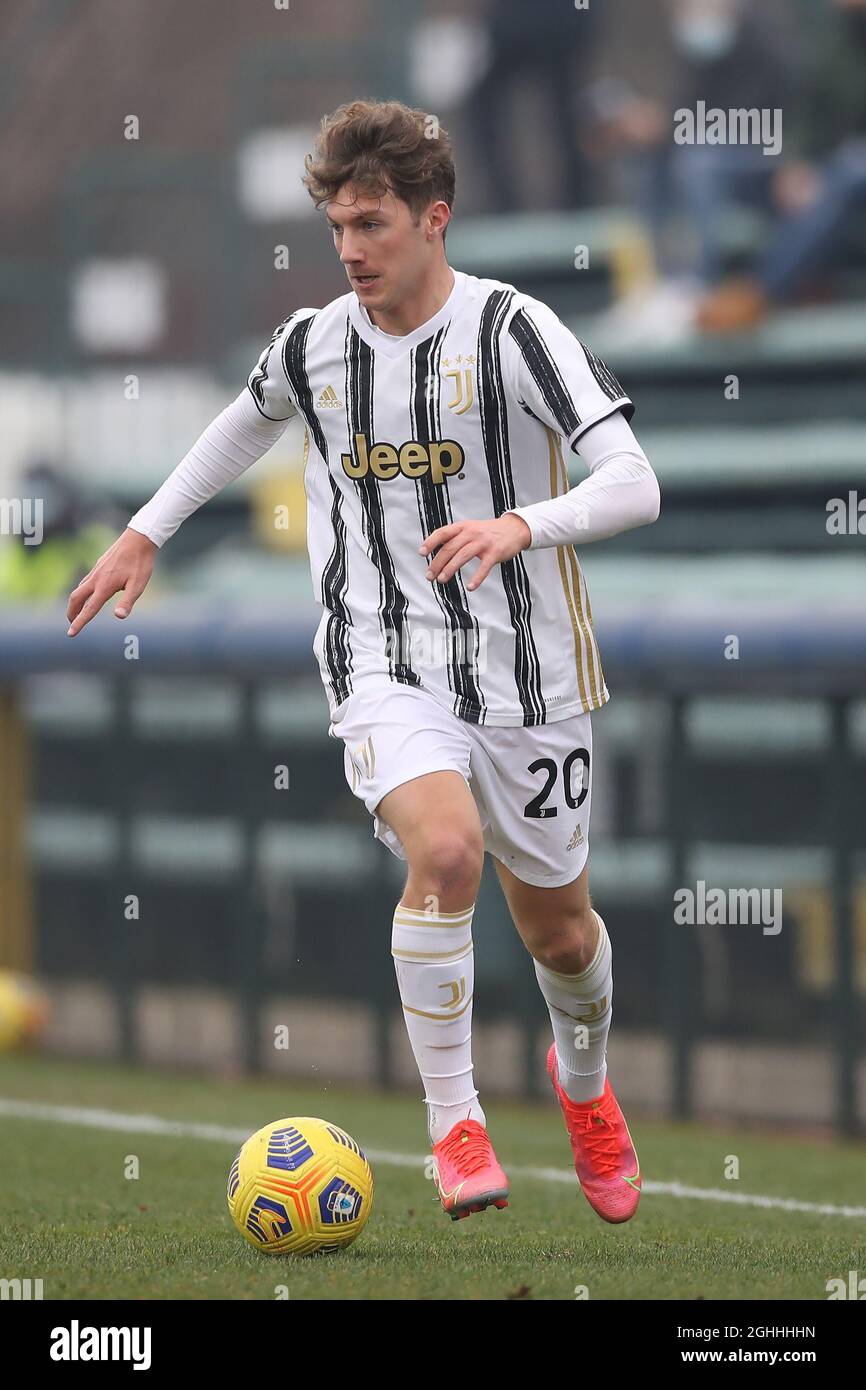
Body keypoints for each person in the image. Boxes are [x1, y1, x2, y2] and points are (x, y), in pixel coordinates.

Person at [66, 100, 660, 1226]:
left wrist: (519, 526)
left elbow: (636, 480)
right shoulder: (314, 341)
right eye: (337, 223)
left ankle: (582, 1091)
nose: (349, 248)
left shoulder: (513, 330)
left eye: (372, 222)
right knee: (443, 849)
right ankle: (455, 1125)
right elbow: (241, 421)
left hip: (530, 674)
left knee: (562, 935)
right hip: (381, 657)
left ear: (433, 219)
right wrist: (148, 528)